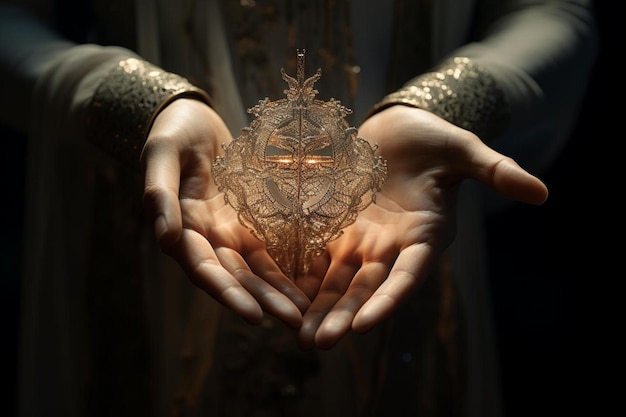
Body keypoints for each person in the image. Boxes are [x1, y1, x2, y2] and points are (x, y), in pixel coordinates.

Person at [0, 0, 598, 416]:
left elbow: (554, 11)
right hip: (153, 243)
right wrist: (128, 100)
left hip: (397, 244)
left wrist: (449, 101)